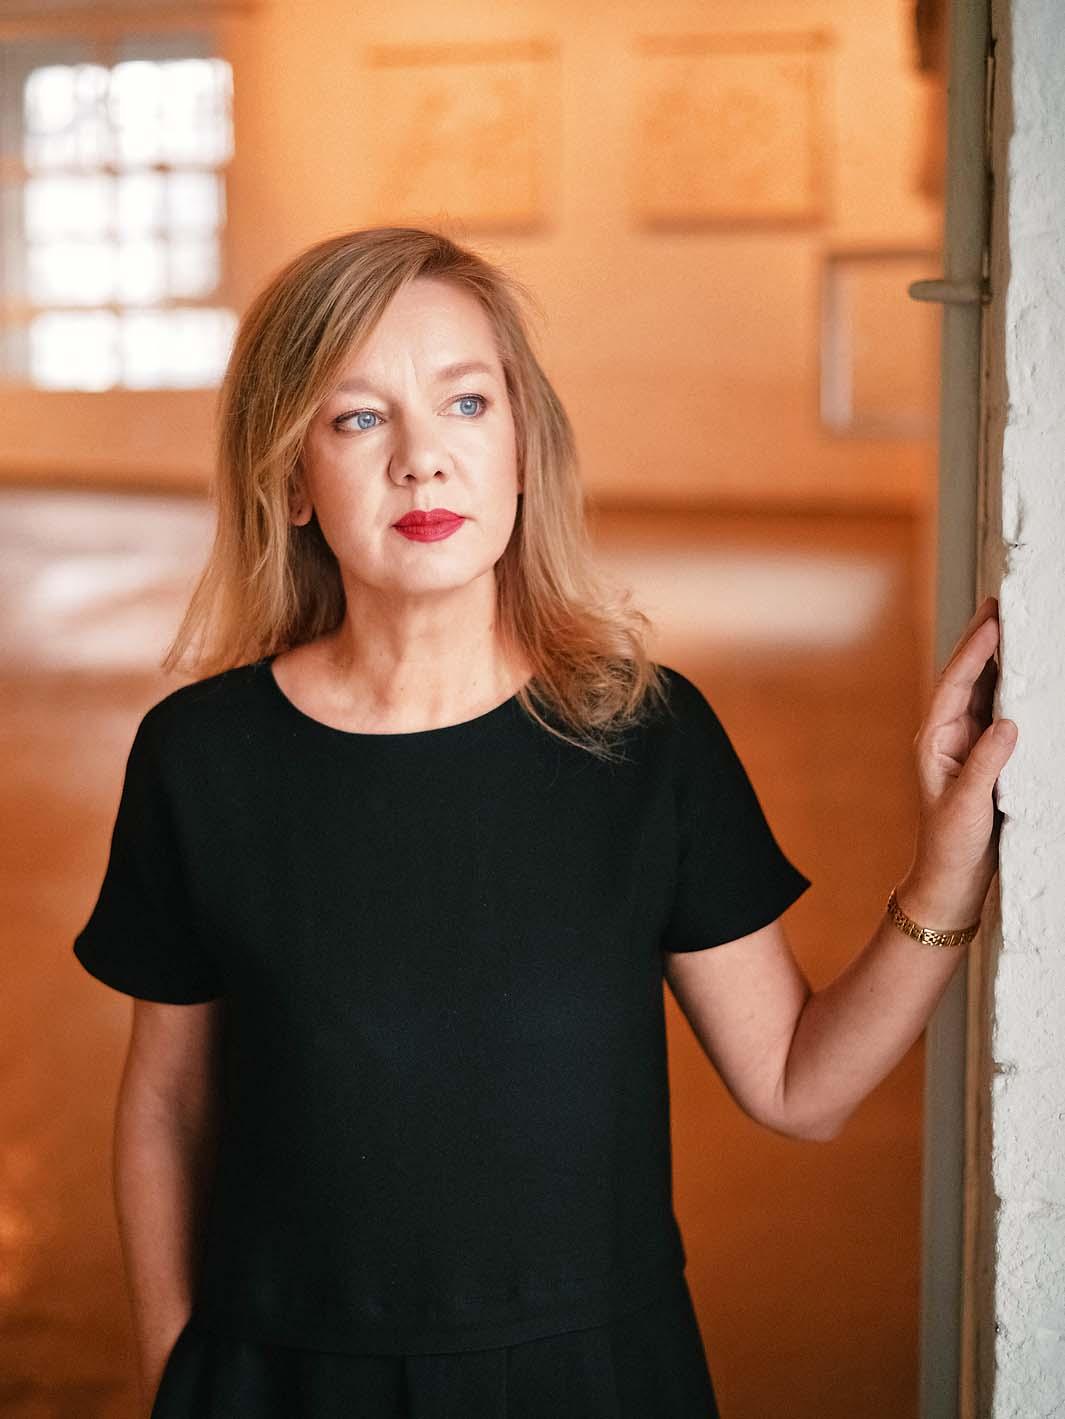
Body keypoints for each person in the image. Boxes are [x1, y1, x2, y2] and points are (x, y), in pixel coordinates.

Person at [72, 226, 1016, 1419]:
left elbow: (798, 1085)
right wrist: (173, 1375)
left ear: (522, 449)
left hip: (591, 1377)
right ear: (291, 480)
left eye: (466, 403)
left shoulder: (643, 737)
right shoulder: (201, 758)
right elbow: (168, 1106)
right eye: (357, 419)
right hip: (280, 1375)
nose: (423, 460)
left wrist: (944, 878)